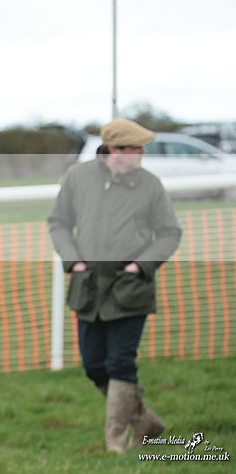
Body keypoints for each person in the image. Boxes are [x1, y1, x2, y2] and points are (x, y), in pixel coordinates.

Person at [48, 118, 182, 452]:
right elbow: (59, 223)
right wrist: (73, 261)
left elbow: (169, 233)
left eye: (141, 147)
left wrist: (141, 265)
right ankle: (147, 422)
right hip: (87, 285)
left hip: (130, 286)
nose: (141, 153)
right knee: (94, 365)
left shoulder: (151, 185)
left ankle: (116, 442)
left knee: (120, 363)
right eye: (133, 148)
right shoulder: (77, 177)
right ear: (113, 149)